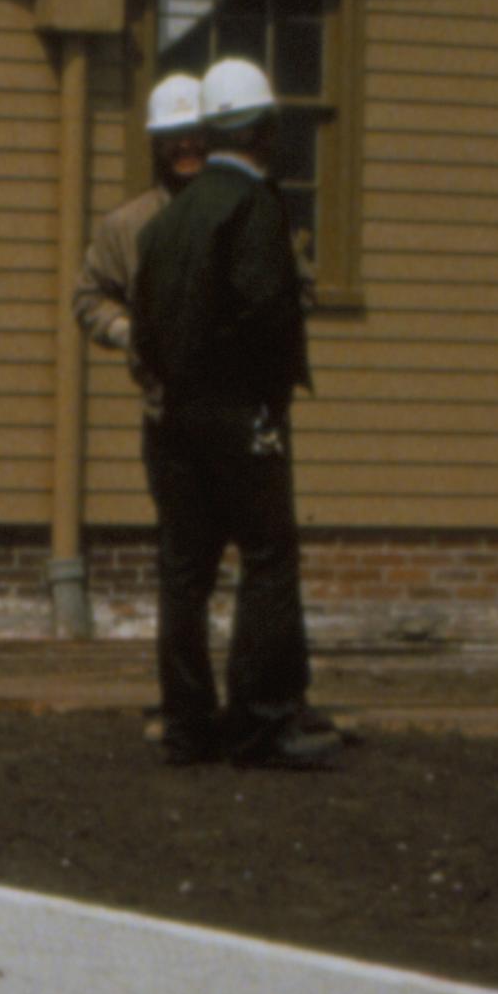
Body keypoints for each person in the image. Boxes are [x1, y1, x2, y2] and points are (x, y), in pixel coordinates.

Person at [129, 58, 336, 771]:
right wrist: (267, 405)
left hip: (175, 419)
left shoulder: (165, 222)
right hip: (240, 413)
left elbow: (145, 330)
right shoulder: (255, 206)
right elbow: (266, 314)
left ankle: (187, 725)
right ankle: (260, 721)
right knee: (269, 560)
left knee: (184, 573)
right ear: (266, 131)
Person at [73, 71, 211, 405]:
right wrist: (129, 333)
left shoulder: (247, 211)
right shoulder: (126, 225)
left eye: (194, 134)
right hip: (166, 404)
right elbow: (88, 298)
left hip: (242, 404)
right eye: (172, 137)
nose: (185, 146)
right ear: (155, 144)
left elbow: (295, 290)